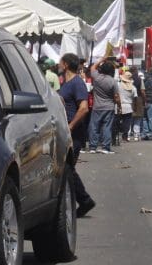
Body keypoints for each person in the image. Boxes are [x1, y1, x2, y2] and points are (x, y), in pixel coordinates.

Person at [56, 53, 95, 217]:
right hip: (66, 130)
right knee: (67, 168)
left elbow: (84, 108)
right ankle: (81, 200)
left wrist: (71, 126)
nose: (58, 65)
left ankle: (85, 201)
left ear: (65, 65)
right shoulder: (67, 83)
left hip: (74, 132)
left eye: (60, 62)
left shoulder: (77, 83)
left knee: (68, 168)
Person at [86, 60, 120, 154]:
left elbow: (92, 67)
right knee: (106, 127)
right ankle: (105, 147)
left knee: (94, 127)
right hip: (109, 107)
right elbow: (116, 97)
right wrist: (119, 106)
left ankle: (93, 147)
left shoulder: (97, 77)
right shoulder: (113, 81)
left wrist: (102, 59)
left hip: (97, 107)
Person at [116, 71, 137, 142]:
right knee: (127, 123)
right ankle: (124, 137)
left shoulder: (118, 85)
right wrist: (134, 107)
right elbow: (135, 98)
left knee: (117, 121)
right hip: (128, 106)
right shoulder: (133, 88)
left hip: (119, 105)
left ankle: (115, 136)